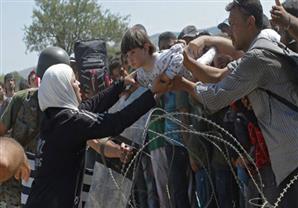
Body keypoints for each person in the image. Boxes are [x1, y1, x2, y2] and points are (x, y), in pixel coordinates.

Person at [158, 0, 298, 207]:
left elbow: (216, 96)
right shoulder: (269, 42)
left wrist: (185, 85)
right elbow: (219, 75)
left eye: (233, 24)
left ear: (250, 22)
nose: (229, 30)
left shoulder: (257, 58)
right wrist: (189, 59)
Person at [24, 63, 156, 208]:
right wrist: (153, 93)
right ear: (63, 88)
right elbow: (115, 122)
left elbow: (92, 106)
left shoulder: (53, 118)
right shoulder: (70, 122)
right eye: (74, 81)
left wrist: (121, 84)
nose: (78, 83)